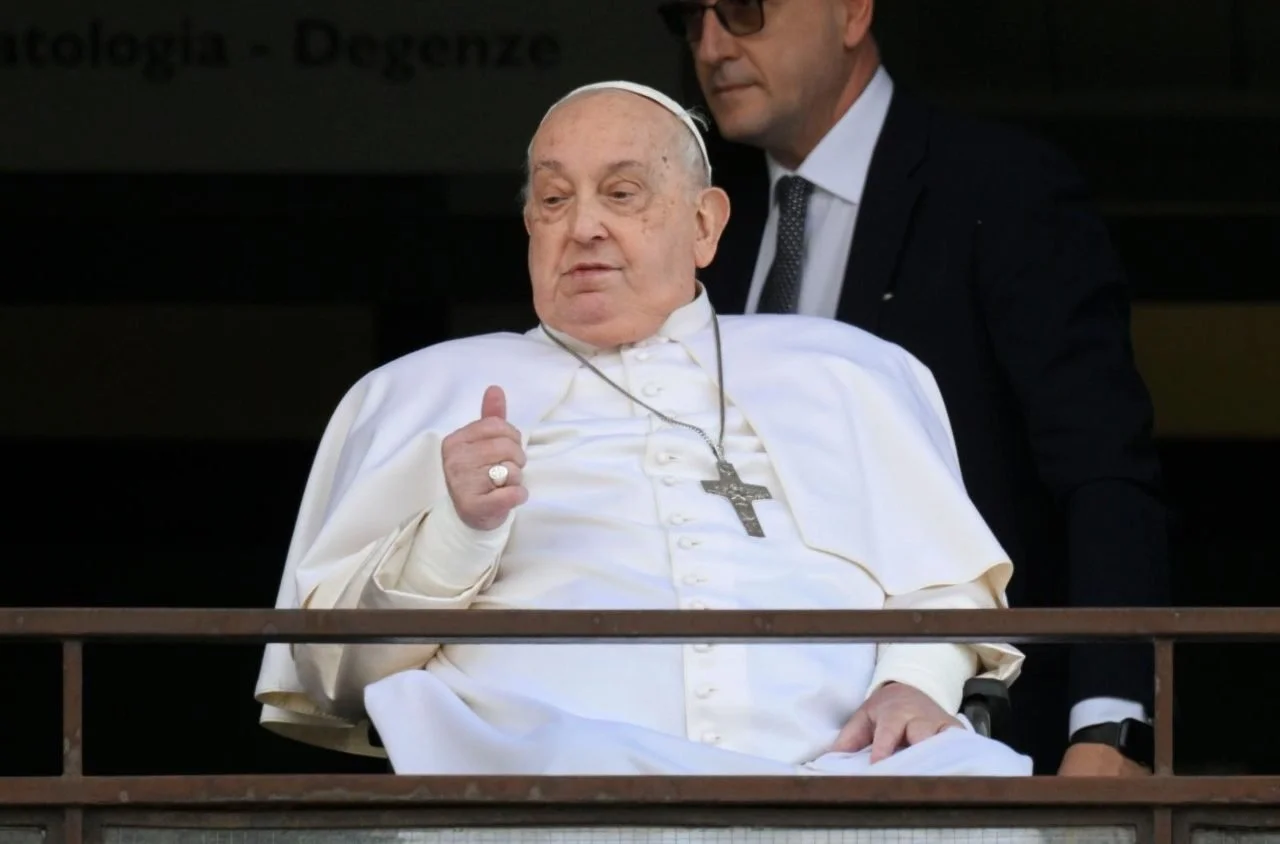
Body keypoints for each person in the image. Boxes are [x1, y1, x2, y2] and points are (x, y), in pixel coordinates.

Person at [253, 80, 1032, 778]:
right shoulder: (421, 391)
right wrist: (455, 534)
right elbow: (335, 674)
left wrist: (915, 681)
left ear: (703, 223)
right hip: (546, 791)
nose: (584, 225)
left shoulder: (844, 372)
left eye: (622, 194)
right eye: (554, 200)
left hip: (849, 779)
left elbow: (946, 583)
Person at [657, 0, 1170, 775]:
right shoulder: (694, 220)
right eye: (688, 18)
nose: (713, 44)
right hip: (731, 738)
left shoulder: (1000, 188)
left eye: (743, 9)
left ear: (852, 12)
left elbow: (1102, 470)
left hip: (963, 726)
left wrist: (1108, 728)